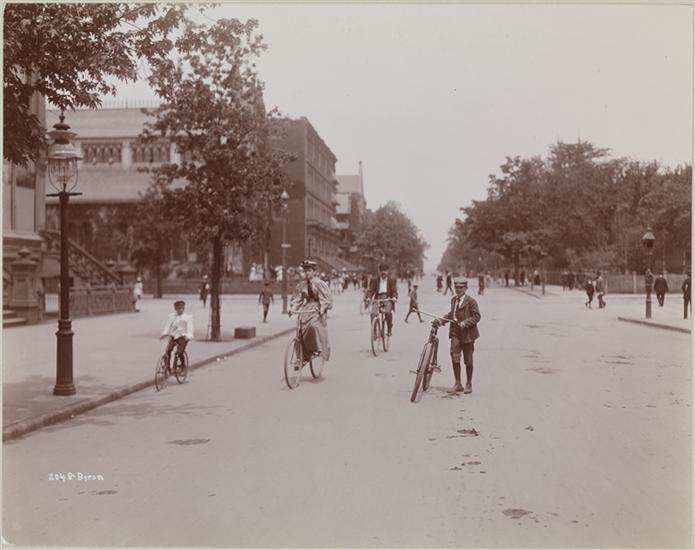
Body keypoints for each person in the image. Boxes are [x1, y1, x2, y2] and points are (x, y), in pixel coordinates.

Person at [432, 278, 480, 394]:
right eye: (456, 288)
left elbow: (477, 317)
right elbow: (452, 315)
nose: (458, 290)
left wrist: (465, 323)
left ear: (466, 288)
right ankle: (458, 383)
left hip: (468, 335)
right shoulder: (453, 300)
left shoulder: (471, 301)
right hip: (455, 333)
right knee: (455, 357)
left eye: (461, 288)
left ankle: (469, 383)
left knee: (468, 360)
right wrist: (441, 320)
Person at [289, 260, 333, 361]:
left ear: (314, 271)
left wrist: (322, 308)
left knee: (313, 326)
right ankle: (302, 357)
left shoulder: (319, 283)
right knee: (300, 331)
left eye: (309, 271)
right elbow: (299, 299)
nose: (307, 273)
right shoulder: (302, 285)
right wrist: (293, 309)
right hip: (306, 308)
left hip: (317, 308)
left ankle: (317, 348)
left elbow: (324, 298)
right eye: (305, 271)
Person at [160, 300, 194, 370]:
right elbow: (167, 326)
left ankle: (182, 364)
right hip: (174, 336)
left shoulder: (187, 317)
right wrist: (164, 333)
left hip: (183, 337)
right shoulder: (172, 317)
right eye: (179, 308)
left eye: (182, 308)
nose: (180, 310)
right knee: (168, 350)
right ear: (175, 309)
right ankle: (167, 366)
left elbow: (190, 328)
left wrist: (188, 336)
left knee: (179, 352)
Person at [367, 263, 398, 337]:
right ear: (379, 271)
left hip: (387, 298)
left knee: (388, 312)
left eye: (385, 270)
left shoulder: (391, 280)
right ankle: (374, 332)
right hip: (378, 299)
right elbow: (371, 290)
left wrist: (394, 297)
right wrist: (369, 297)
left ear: (387, 271)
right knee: (373, 313)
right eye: (381, 270)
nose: (383, 272)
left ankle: (389, 328)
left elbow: (394, 291)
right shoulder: (375, 280)